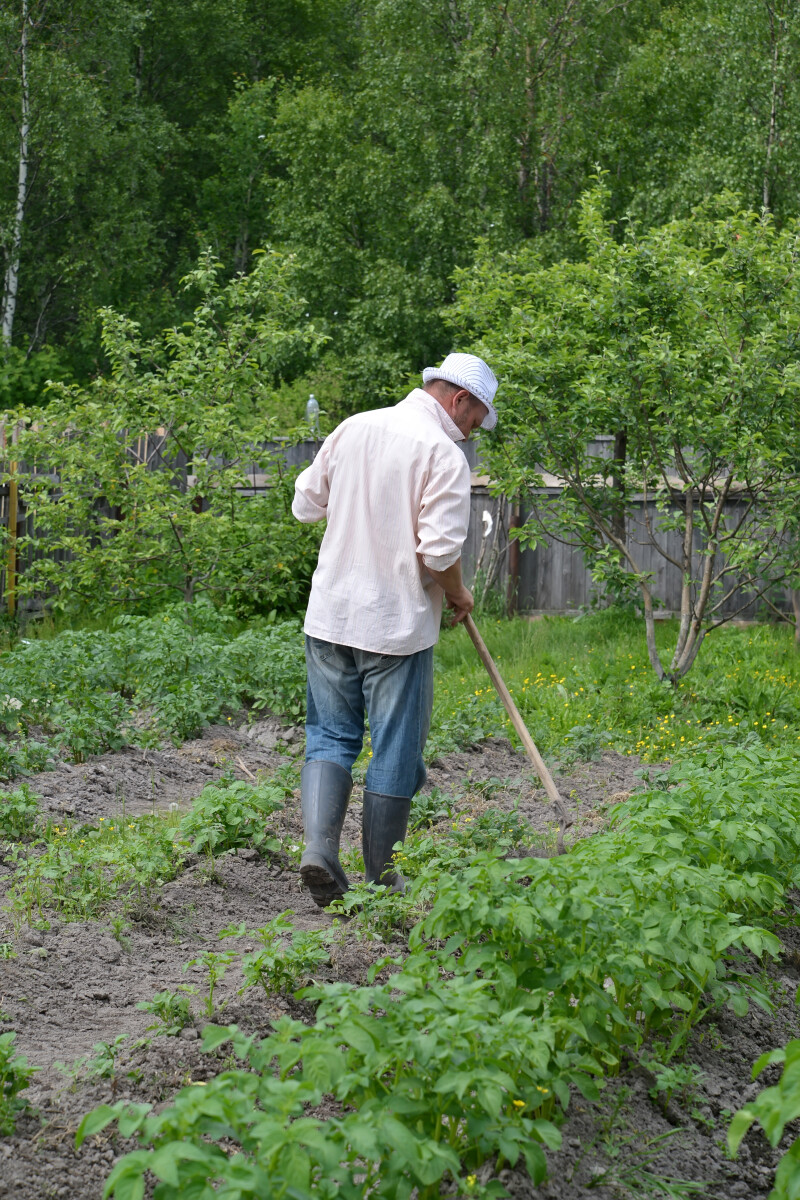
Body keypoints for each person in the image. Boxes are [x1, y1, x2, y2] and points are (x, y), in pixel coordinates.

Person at [291, 352, 499, 907]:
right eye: (478, 417)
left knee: (330, 738)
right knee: (396, 750)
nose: (476, 428)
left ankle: (319, 849)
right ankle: (383, 880)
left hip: (331, 616)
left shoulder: (353, 427)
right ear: (458, 400)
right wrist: (458, 594)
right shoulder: (443, 455)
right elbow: (436, 555)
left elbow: (305, 504)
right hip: (393, 626)